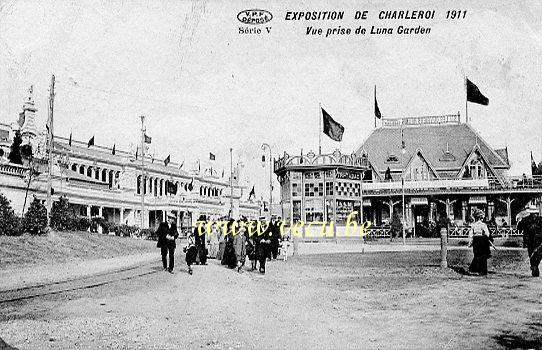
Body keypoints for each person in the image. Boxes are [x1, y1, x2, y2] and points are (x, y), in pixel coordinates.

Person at [518, 204, 542, 277]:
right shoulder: (541, 219)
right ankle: (535, 265)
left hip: (529, 240)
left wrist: (519, 221)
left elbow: (519, 229)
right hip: (539, 240)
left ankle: (534, 266)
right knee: (538, 254)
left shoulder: (525, 219)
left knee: (531, 253)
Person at [468, 208, 493, 276]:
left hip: (475, 240)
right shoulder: (483, 225)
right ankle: (483, 271)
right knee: (483, 256)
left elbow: (470, 235)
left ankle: (477, 270)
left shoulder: (473, 225)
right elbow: (487, 234)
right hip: (482, 241)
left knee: (477, 255)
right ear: (481, 217)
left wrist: (470, 242)